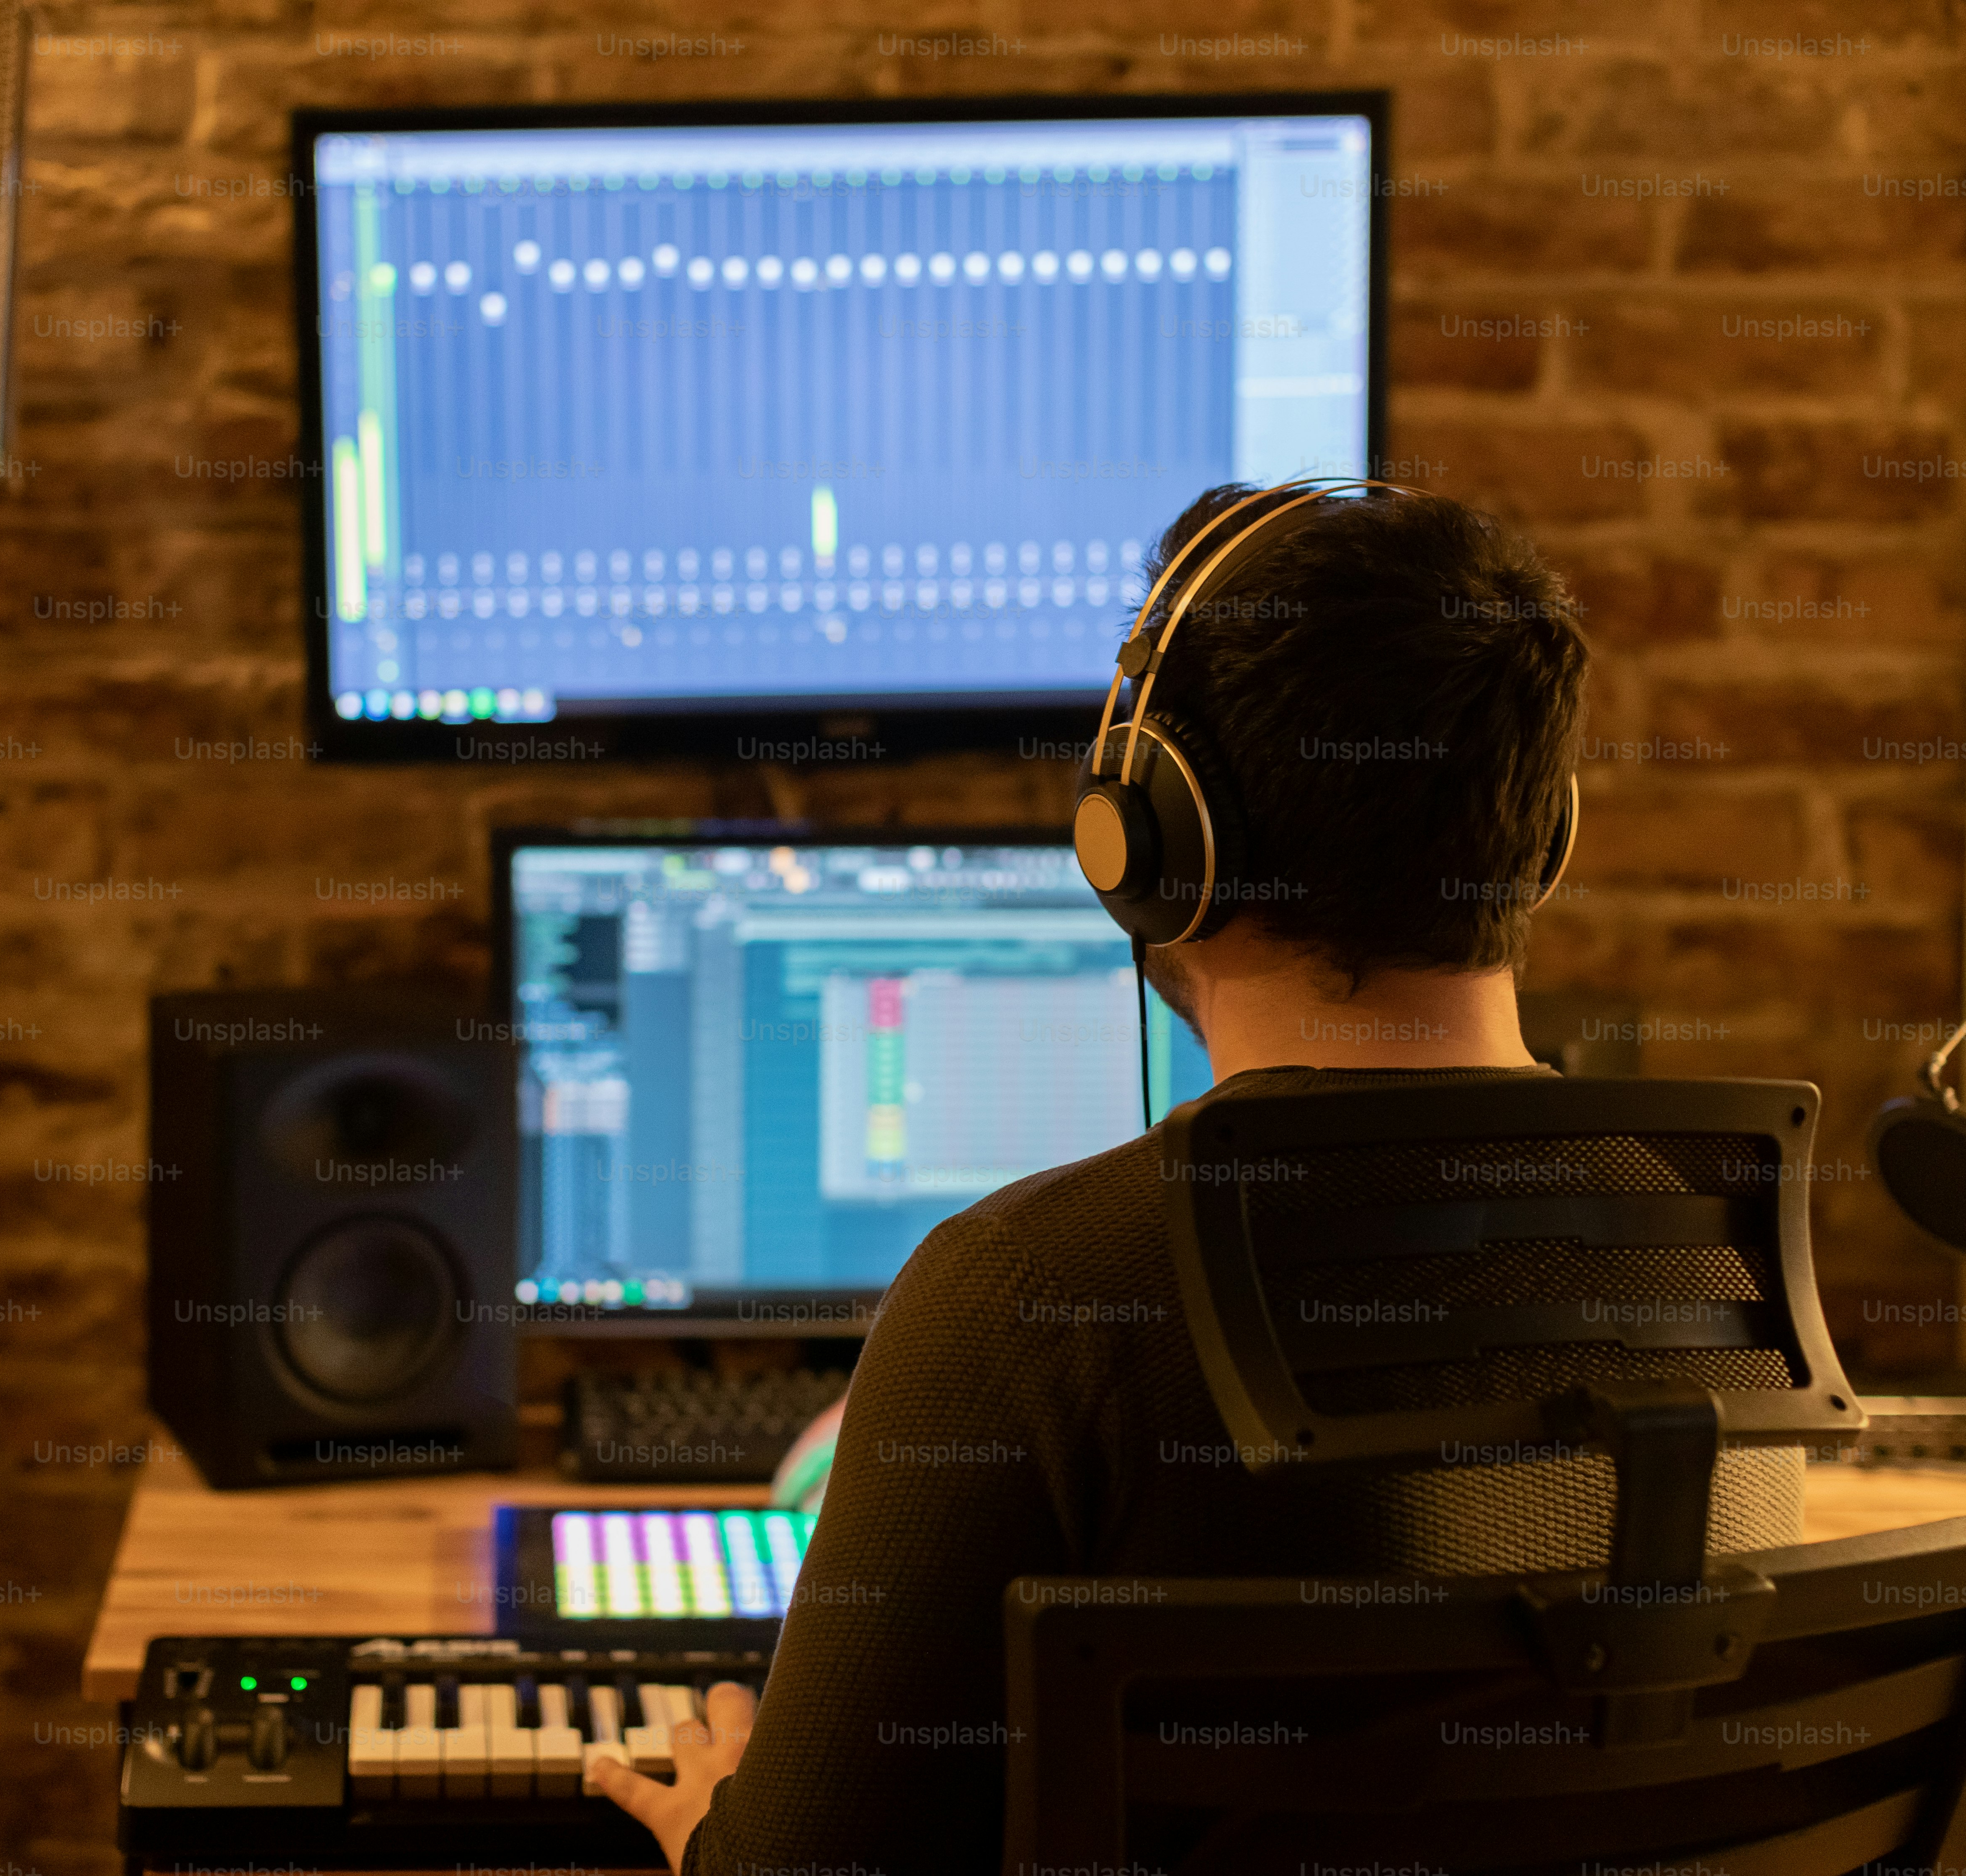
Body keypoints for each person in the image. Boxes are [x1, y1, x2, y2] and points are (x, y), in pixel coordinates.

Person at [600, 482, 1791, 1873]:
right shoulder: (1728, 1270)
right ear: (1543, 835)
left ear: (1155, 836)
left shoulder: (1026, 1297)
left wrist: (718, 1823)